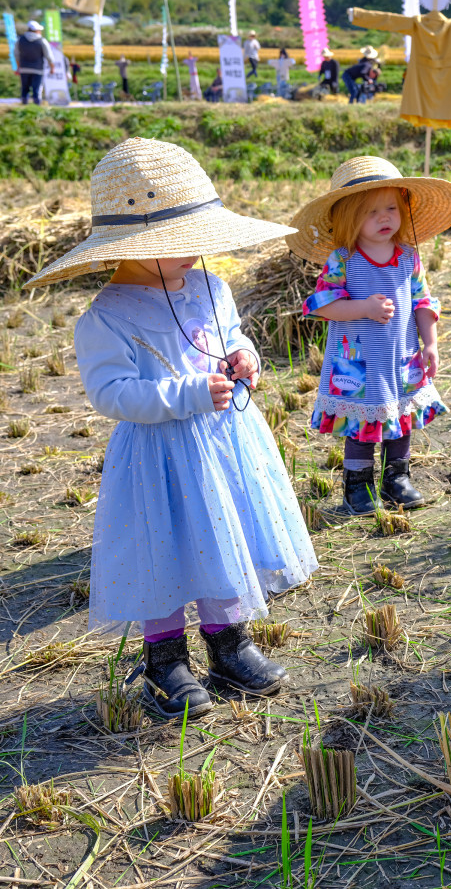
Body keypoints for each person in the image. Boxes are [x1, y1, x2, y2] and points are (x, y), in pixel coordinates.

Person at [23, 138, 317, 717]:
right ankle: (165, 662)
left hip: (223, 444)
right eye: (180, 240)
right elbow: (110, 393)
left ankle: (229, 645)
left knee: (222, 535)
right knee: (166, 549)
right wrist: (187, 394)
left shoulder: (211, 287)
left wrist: (245, 358)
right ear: (133, 247)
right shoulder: (108, 316)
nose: (196, 251)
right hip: (158, 455)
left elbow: (233, 336)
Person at [287, 157, 451, 514]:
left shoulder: (408, 257)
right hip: (357, 360)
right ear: (348, 218)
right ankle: (358, 486)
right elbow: (323, 305)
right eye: (371, 212)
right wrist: (364, 308)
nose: (384, 217)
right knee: (361, 422)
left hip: (401, 356)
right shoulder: (343, 259)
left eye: (391, 208)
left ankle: (397, 478)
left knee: (401, 416)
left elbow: (423, 302)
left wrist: (430, 343)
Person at [16, 20, 55, 106]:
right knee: (36, 89)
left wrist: (19, 67)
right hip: (38, 69)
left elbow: (16, 54)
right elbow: (49, 55)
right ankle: (36, 106)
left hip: (24, 68)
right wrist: (52, 67)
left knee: (25, 88)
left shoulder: (20, 40)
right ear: (36, 30)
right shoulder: (41, 40)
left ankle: (24, 104)